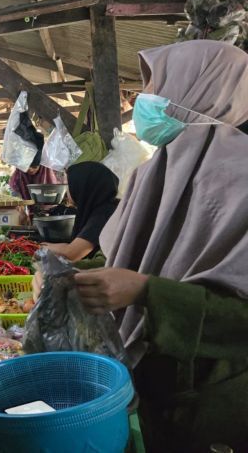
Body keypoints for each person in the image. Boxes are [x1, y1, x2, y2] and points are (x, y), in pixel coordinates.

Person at [68, 41, 248, 452]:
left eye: (159, 86)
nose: (145, 102)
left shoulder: (242, 182)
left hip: (210, 402)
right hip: (145, 382)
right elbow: (132, 257)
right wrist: (74, 276)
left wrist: (147, 291)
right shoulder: (156, 170)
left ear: (202, 89)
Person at [41, 161, 118, 262]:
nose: (66, 191)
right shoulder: (103, 208)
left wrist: (36, 247)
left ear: (82, 186)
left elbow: (71, 253)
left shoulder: (104, 214)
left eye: (68, 185)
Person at [8, 134, 60, 200]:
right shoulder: (18, 177)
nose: (30, 169)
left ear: (41, 165)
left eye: (34, 167)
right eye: (26, 167)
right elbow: (14, 191)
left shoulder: (49, 175)